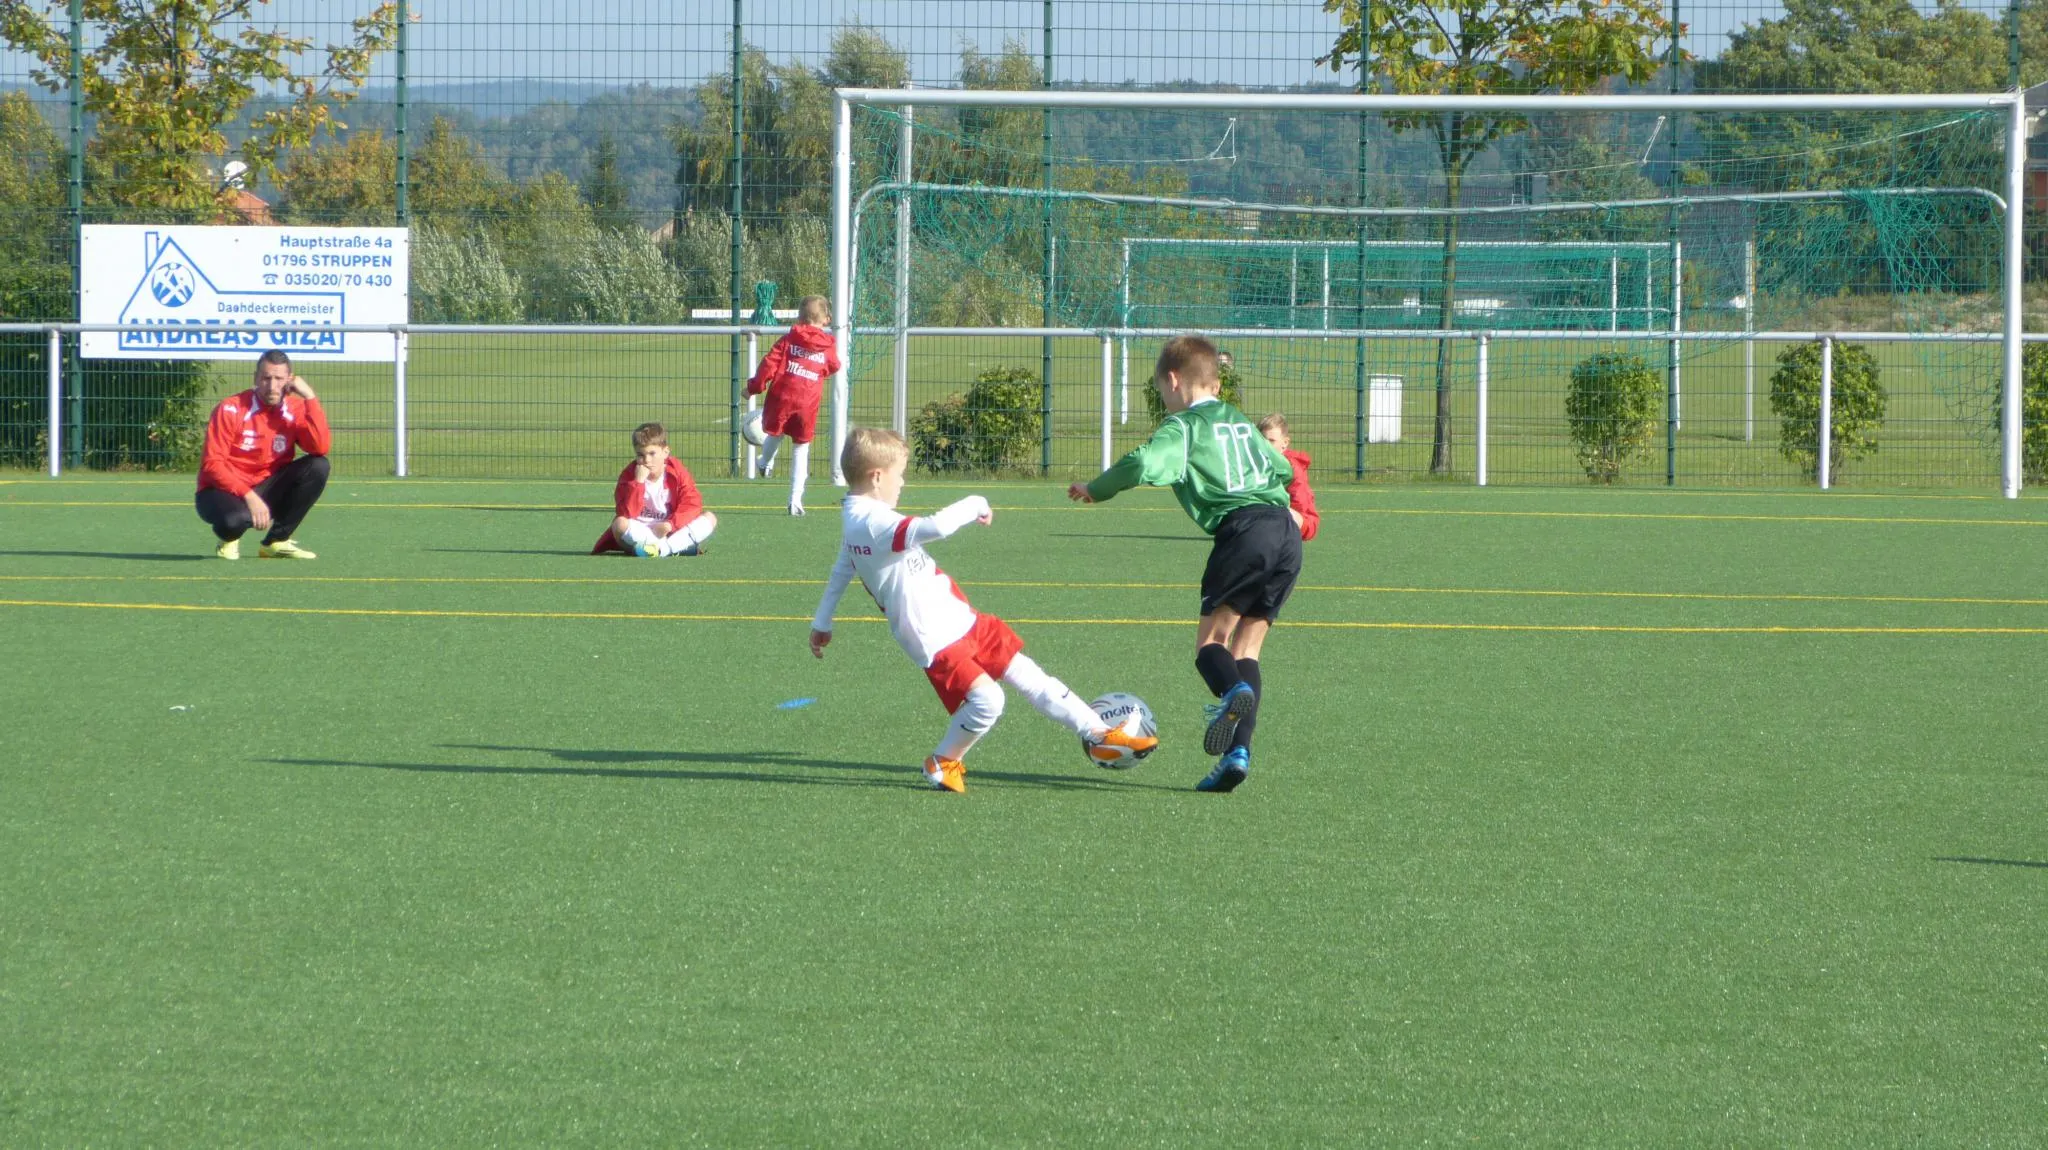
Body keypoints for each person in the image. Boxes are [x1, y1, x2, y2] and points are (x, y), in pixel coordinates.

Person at [810, 427, 1156, 793]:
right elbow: (937, 526)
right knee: (989, 701)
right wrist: (977, 501)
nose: (903, 483)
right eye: (900, 474)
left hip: (959, 617)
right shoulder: (872, 522)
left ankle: (1099, 734)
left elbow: (844, 565)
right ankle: (943, 760)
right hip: (933, 637)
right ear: (877, 477)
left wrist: (822, 621)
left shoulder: (858, 520)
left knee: (1029, 674)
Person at [1068, 335, 1301, 793]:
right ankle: (1237, 754)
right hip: (1286, 534)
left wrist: (1097, 488)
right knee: (1246, 652)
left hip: (1244, 532)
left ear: (1173, 381)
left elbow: (1143, 463)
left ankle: (1231, 693)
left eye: (1162, 391)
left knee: (1210, 645)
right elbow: (1284, 469)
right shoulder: (1238, 420)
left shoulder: (1183, 427)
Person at [195, 350, 331, 560]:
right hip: (221, 490)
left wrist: (310, 397)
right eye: (266, 378)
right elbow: (212, 465)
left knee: (318, 466)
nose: (272, 385)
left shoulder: (295, 408)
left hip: (266, 486)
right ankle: (228, 539)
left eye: (279, 379)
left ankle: (276, 541)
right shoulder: (231, 408)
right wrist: (249, 497)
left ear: (289, 380)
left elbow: (319, 448)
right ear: (256, 378)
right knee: (233, 522)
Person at [746, 295, 841, 517]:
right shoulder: (827, 346)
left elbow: (768, 365)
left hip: (782, 396)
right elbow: (834, 365)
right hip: (807, 403)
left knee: (776, 433)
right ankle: (795, 500)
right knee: (801, 447)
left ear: (799, 317)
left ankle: (764, 462)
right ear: (826, 319)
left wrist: (752, 388)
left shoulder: (788, 340)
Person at [591, 422, 717, 557]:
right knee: (619, 524)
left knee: (710, 518)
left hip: (670, 530)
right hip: (642, 531)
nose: (647, 460)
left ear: (665, 452)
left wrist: (670, 525)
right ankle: (675, 548)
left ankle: (662, 550)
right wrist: (638, 483)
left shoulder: (677, 471)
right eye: (640, 455)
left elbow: (692, 504)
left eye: (652, 453)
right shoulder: (629, 475)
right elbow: (627, 513)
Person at [1257, 412, 1320, 542]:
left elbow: (1302, 506)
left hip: (1294, 524)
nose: (1266, 446)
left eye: (1271, 441)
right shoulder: (1255, 462)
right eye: (1262, 440)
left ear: (1285, 443)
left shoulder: (1292, 468)